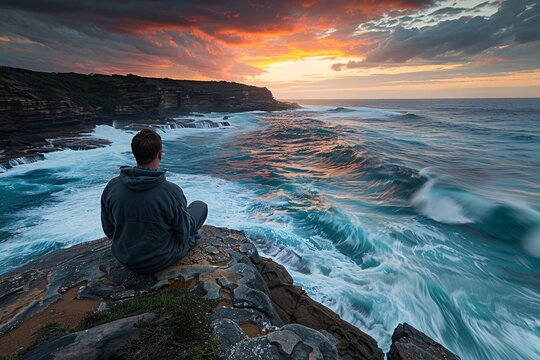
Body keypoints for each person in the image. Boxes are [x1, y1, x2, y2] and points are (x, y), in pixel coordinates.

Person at [100, 128, 208, 274]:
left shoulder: (112, 186)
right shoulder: (170, 191)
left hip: (125, 258)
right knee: (200, 206)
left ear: (135, 154)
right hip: (159, 260)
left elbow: (109, 231)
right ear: (160, 154)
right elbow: (182, 235)